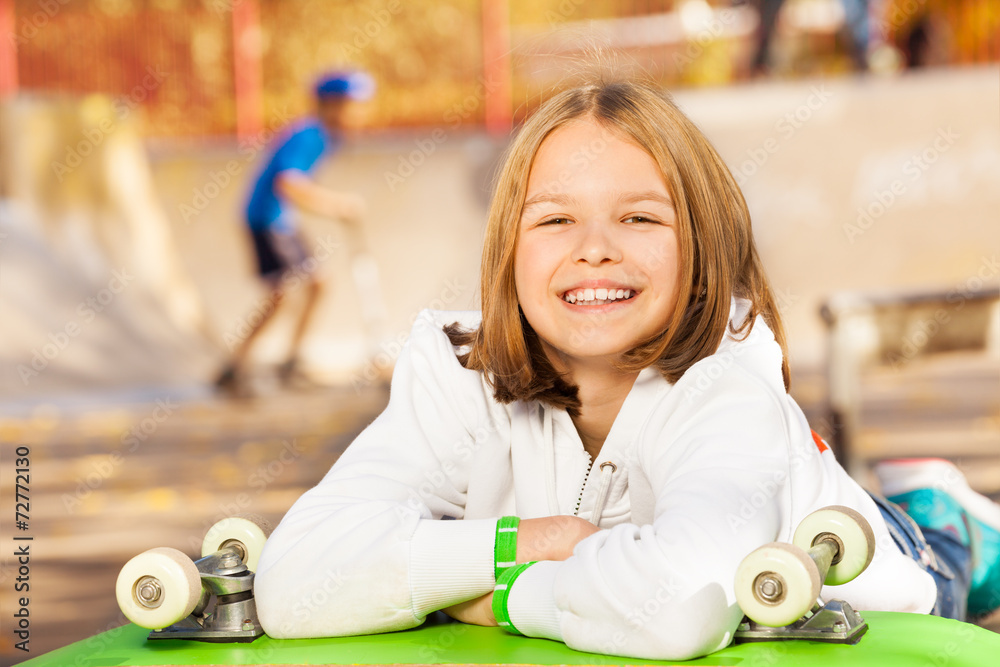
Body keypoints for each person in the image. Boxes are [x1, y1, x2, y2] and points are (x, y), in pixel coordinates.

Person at [252, 79, 1000, 660]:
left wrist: (492, 594)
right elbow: (294, 581)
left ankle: (940, 505)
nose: (595, 248)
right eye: (554, 219)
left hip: (874, 556)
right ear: (509, 252)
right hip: (634, 560)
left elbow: (682, 599)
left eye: (640, 217)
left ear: (700, 244)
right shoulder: (456, 368)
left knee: (949, 560)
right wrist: (519, 542)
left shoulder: (728, 374)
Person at [215, 71, 374, 393]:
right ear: (330, 106)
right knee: (281, 296)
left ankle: (290, 362)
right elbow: (287, 182)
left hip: (280, 221)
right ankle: (235, 366)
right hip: (266, 220)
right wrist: (337, 205)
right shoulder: (309, 134)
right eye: (351, 106)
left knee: (317, 283)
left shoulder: (326, 136)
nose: (359, 113)